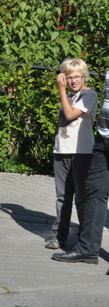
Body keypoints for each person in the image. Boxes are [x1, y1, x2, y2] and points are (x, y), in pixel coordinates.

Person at [52, 69, 109, 265]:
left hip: (86, 148)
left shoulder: (89, 94)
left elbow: (70, 114)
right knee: (94, 194)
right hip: (103, 138)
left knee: (87, 196)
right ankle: (87, 250)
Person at [44, 58, 97, 250]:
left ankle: (84, 240)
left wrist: (61, 90)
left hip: (81, 152)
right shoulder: (68, 95)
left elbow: (70, 115)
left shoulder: (89, 95)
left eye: (77, 77)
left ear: (84, 76)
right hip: (61, 150)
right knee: (62, 197)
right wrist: (64, 92)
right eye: (69, 77)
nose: (73, 81)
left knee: (81, 198)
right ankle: (60, 235)